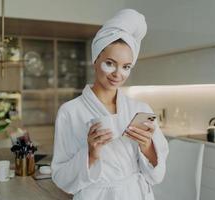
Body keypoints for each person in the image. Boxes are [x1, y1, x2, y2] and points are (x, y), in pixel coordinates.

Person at [51, 9, 169, 200]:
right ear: (95, 60)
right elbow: (60, 178)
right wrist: (90, 154)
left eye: (126, 67)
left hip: (135, 194)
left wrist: (147, 147)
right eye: (110, 63)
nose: (118, 74)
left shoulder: (140, 109)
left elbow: (158, 175)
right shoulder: (70, 112)